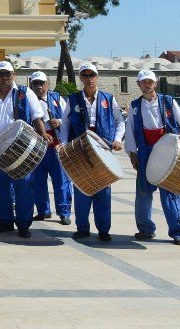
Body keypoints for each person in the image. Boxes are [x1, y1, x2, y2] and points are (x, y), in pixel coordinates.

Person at [0, 60, 49, 238]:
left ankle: (24, 224)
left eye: (8, 74)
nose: (4, 77)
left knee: (23, 184)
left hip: (20, 143)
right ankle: (5, 221)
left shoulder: (25, 92)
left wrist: (43, 134)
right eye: (1, 74)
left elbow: (37, 116)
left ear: (13, 75)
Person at [126, 69, 180, 246]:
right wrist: (132, 155)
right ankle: (146, 229)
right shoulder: (135, 106)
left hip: (168, 150)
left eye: (150, 81)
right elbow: (131, 131)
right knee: (143, 192)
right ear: (138, 85)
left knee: (170, 192)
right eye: (143, 82)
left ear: (155, 83)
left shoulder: (168, 102)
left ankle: (176, 232)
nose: (147, 85)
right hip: (145, 151)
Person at [60, 63, 124, 241]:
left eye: (92, 75)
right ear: (81, 78)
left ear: (97, 77)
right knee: (81, 188)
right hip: (80, 149)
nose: (89, 78)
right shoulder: (72, 99)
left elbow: (120, 121)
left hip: (103, 148)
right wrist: (64, 143)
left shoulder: (108, 98)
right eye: (85, 75)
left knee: (103, 189)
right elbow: (65, 123)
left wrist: (118, 139)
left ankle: (104, 229)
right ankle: (82, 228)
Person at [28, 71, 71, 226]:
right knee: (38, 180)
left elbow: (68, 118)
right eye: (35, 83)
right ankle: (43, 210)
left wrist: (59, 121)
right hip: (36, 144)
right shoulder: (27, 99)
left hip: (55, 144)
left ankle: (64, 212)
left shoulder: (57, 98)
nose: (39, 86)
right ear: (31, 85)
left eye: (41, 83)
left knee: (60, 180)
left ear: (47, 84)